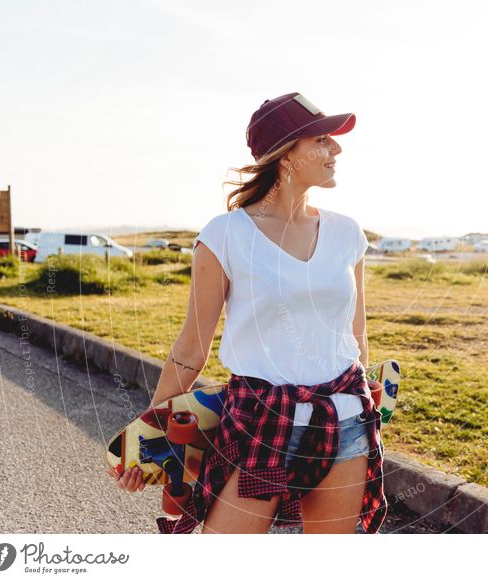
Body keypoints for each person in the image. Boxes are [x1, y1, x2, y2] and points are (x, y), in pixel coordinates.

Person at [105, 92, 388, 534]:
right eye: (321, 139)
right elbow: (191, 348)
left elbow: (357, 335)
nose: (336, 148)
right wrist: (151, 437)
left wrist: (368, 403)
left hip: (344, 417)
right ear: (285, 154)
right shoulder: (225, 236)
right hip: (259, 421)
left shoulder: (347, 233)